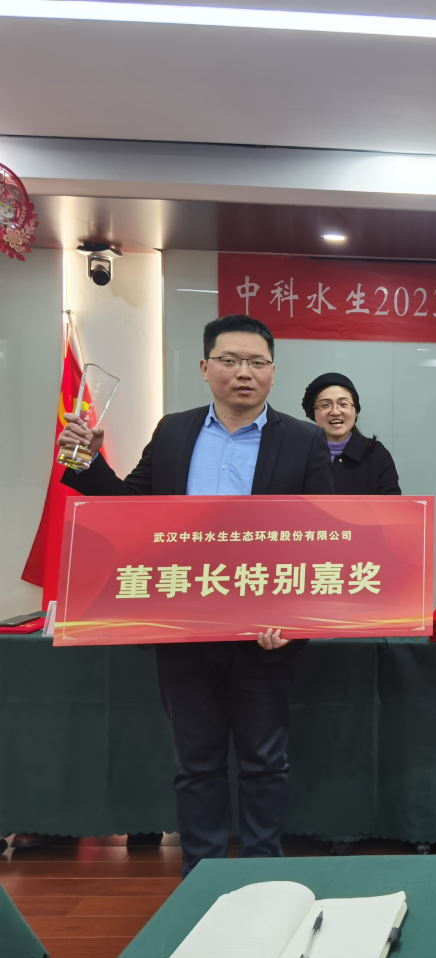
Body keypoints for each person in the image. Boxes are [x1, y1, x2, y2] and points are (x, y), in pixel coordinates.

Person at [57, 314, 333, 877]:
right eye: (229, 360)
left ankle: (262, 877)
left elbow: (321, 532)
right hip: (183, 628)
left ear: (273, 372)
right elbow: (132, 513)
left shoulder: (303, 440)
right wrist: (86, 461)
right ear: (206, 368)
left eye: (257, 362)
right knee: (196, 764)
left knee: (265, 762)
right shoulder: (174, 432)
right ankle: (201, 879)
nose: (243, 373)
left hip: (264, 632)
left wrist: (294, 619)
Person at [301, 372, 401, 494]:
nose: (335, 412)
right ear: (314, 414)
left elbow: (391, 502)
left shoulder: (377, 454)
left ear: (355, 410)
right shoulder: (299, 454)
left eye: (343, 404)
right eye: (325, 405)